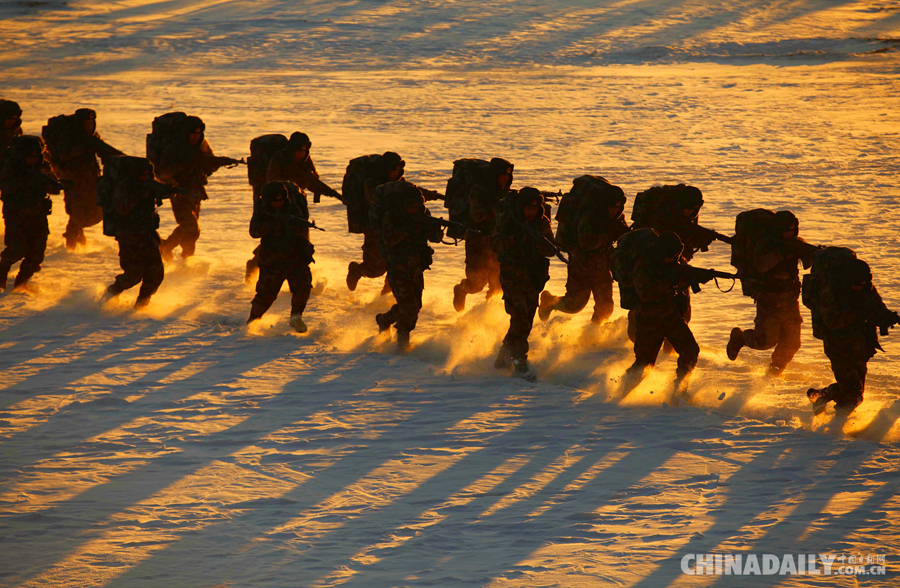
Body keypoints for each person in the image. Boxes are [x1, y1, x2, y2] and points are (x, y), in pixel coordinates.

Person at [726, 211, 816, 376]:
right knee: (765, 341)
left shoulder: (795, 243)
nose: (788, 234)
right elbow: (761, 265)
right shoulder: (765, 243)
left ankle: (774, 372)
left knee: (792, 343)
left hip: (790, 300)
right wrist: (782, 253)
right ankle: (740, 337)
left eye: (792, 230)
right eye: (785, 230)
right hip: (769, 299)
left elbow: (809, 260)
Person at [807, 259, 899, 415]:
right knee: (853, 395)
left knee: (855, 393)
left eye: (864, 282)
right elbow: (831, 320)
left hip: (860, 346)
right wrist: (859, 315)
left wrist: (886, 317)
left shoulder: (867, 289)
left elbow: (876, 308)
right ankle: (836, 430)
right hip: (838, 346)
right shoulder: (832, 291)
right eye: (857, 283)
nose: (861, 286)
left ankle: (822, 396)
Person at [245, 132, 340, 281]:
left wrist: (332, 194)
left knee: (301, 239)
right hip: (275, 204)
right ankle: (254, 264)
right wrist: (292, 187)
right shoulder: (278, 159)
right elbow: (273, 183)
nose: (300, 155)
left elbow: (313, 180)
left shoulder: (306, 160)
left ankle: (302, 278)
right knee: (274, 239)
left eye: (304, 151)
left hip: (297, 205)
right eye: (298, 151)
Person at [347, 152, 441, 293]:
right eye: (392, 170)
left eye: (398, 170)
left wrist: (432, 195)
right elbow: (372, 198)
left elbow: (409, 191)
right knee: (375, 269)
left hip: (396, 226)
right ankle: (357, 270)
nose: (395, 174)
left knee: (396, 264)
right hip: (376, 227)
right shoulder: (372, 181)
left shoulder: (398, 181)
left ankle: (385, 297)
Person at [622, 232, 701, 396]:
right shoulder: (644, 265)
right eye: (670, 257)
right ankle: (621, 394)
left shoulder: (675, 264)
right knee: (644, 364)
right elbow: (645, 294)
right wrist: (671, 282)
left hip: (672, 317)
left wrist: (691, 278)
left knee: (691, 351)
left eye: (676, 256)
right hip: (650, 320)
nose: (674, 260)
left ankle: (679, 390)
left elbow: (681, 281)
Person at [539, 182, 629, 324]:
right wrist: (609, 235)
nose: (614, 211)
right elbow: (586, 244)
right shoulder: (589, 217)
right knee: (574, 305)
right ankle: (549, 301)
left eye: (617, 208)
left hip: (603, 267)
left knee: (605, 308)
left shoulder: (617, 218)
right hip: (581, 265)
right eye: (611, 207)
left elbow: (622, 235)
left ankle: (592, 336)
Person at [491, 188, 556, 380]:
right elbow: (494, 243)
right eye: (528, 209)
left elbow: (550, 248)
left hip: (532, 278)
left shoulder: (541, 222)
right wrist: (514, 239)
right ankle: (519, 361)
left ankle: (503, 357)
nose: (531, 213)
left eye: (534, 209)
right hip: (512, 276)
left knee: (526, 323)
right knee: (519, 318)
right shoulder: (509, 220)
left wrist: (538, 244)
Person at [156, 116, 240, 260]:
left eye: (198, 134)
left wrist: (216, 163)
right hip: (178, 192)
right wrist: (184, 165)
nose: (195, 137)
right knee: (191, 228)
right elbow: (162, 172)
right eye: (192, 134)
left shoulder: (202, 145)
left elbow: (210, 162)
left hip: (196, 192)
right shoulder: (174, 147)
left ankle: (184, 256)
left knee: (189, 229)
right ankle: (170, 249)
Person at [375, 181, 443, 351]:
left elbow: (434, 238)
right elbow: (389, 240)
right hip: (397, 266)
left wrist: (435, 230)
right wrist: (409, 228)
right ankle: (402, 341)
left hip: (416, 266)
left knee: (415, 306)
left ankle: (384, 320)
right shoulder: (393, 216)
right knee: (409, 308)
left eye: (417, 206)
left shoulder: (423, 214)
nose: (414, 210)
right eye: (411, 207)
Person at [44, 108, 124, 249]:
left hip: (90, 179)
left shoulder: (91, 137)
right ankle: (71, 245)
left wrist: (123, 158)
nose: (89, 126)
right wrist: (83, 146)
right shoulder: (69, 137)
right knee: (77, 213)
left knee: (94, 211)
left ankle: (77, 238)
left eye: (91, 122)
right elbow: (64, 155)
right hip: (72, 180)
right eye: (86, 123)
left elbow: (104, 150)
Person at [103, 158, 177, 308]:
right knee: (133, 276)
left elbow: (162, 191)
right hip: (129, 237)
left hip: (148, 236)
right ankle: (110, 294)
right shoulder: (124, 187)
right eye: (142, 175)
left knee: (155, 275)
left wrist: (169, 190)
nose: (145, 178)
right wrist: (141, 195)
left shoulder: (149, 183)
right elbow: (122, 208)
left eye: (148, 175)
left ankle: (141, 305)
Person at [247, 181, 316, 332]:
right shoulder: (262, 210)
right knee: (266, 296)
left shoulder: (292, 208)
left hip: (294, 257)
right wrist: (272, 225)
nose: (279, 203)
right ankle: (252, 322)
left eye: (281, 200)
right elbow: (254, 231)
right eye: (275, 201)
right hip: (272, 260)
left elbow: (302, 227)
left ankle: (296, 317)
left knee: (303, 286)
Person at [453, 157, 514, 312]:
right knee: (476, 284)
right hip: (477, 241)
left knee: (497, 284)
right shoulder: (478, 190)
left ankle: (486, 316)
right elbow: (476, 215)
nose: (505, 180)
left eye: (507, 176)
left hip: (496, 243)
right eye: (502, 176)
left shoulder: (506, 193)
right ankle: (461, 290)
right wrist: (497, 208)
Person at [0, 136, 60, 291]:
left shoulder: (42, 166)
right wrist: (27, 181)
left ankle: (20, 285)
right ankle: (2, 270)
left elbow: (52, 184)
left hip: (37, 213)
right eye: (29, 156)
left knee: (36, 254)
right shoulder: (12, 166)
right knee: (16, 250)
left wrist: (56, 186)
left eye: (36, 156)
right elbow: (6, 187)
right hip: (16, 214)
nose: (33, 160)